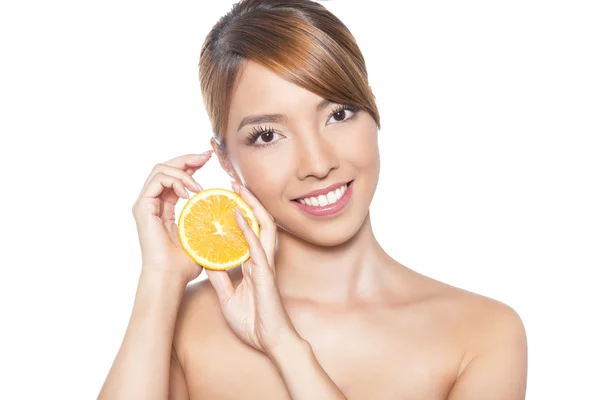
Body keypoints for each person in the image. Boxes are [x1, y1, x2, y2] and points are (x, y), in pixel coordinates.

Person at [98, 0, 527, 398]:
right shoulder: (184, 322)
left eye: (338, 114)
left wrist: (285, 346)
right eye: (268, 135)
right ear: (226, 159)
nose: (318, 163)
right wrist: (160, 280)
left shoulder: (482, 334)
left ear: (373, 109)